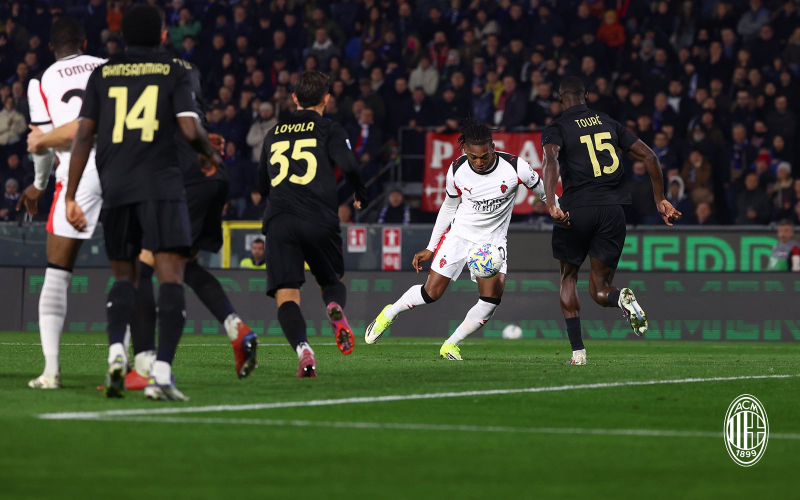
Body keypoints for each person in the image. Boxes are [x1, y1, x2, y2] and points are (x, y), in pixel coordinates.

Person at [65, 5, 220, 401]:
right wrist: (207, 153)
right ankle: (161, 374)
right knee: (170, 275)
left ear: (122, 36)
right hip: (161, 185)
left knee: (125, 277)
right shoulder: (175, 70)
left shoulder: (102, 73)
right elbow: (190, 128)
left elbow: (83, 137)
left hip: (115, 187)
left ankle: (117, 353)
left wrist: (70, 195)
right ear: (163, 36)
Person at [125, 39, 258, 391]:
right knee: (185, 265)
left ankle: (142, 365)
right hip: (214, 174)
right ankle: (236, 328)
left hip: (184, 179)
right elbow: (190, 121)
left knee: (144, 265)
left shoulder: (148, 77)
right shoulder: (190, 72)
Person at [365, 118, 553, 360]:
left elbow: (546, 194)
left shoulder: (516, 167)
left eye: (484, 156)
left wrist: (561, 211)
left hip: (492, 243)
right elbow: (448, 206)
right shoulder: (457, 169)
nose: (479, 162)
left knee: (490, 300)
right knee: (430, 293)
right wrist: (431, 247)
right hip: (459, 236)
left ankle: (450, 344)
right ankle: (389, 313)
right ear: (465, 150)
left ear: (493, 147)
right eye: (473, 157)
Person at [542, 76, 680, 366]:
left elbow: (550, 160)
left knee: (568, 277)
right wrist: (660, 199)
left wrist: (551, 201)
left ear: (560, 98)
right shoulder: (608, 122)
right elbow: (650, 157)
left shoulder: (557, 127)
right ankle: (620, 298)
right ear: (586, 96)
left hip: (576, 210)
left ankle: (578, 353)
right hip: (613, 211)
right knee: (600, 288)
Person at [258, 70, 368, 377]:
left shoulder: (273, 132)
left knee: (286, 294)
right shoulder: (328, 128)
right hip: (319, 218)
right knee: (331, 282)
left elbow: (262, 185)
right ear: (326, 99)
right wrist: (360, 194)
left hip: (280, 219)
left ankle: (304, 350)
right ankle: (334, 307)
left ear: (294, 98)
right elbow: (349, 164)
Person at [20, 18, 106, 390]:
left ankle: (51, 372)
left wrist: (38, 186)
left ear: (50, 48)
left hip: (78, 170)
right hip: (123, 166)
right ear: (85, 43)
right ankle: (130, 362)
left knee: (57, 272)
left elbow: (41, 144)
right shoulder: (107, 67)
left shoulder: (40, 82)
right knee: (132, 269)